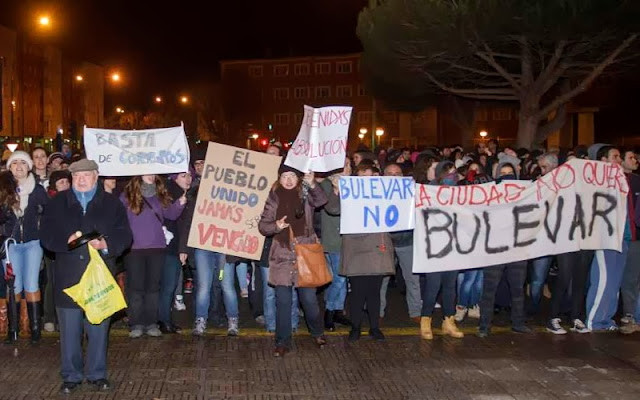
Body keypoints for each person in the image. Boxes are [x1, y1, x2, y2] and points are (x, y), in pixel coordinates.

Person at [40, 159, 132, 394]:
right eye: (76, 176)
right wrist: (65, 242)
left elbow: (125, 235)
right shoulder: (57, 203)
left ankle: (97, 374)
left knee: (98, 329)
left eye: (86, 175)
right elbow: (46, 236)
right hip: (69, 278)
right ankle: (71, 376)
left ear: (96, 177)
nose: (81, 180)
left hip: (99, 278)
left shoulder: (112, 204)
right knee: (69, 332)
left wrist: (106, 243)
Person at [259, 165, 328, 357]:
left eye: (292, 176)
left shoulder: (305, 194)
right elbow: (263, 225)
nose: (288, 180)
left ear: (298, 179)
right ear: (279, 178)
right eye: (284, 176)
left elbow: (322, 200)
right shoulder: (274, 196)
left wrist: (312, 183)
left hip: (305, 252)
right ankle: (282, 341)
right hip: (281, 255)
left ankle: (317, 332)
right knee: (283, 301)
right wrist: (275, 226)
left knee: (309, 299)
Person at [121, 175, 186, 338]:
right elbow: (119, 217)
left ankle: (151, 322)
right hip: (134, 249)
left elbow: (170, 214)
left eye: (153, 171)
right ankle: (136, 323)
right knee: (136, 288)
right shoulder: (127, 194)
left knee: (153, 288)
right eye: (146, 171)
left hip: (156, 248)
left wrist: (180, 203)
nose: (150, 174)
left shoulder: (160, 193)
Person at [478, 162, 531, 337]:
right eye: (503, 173)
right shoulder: (490, 195)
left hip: (517, 249)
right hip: (495, 249)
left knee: (517, 289)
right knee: (489, 289)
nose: (507, 177)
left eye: (510, 173)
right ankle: (484, 325)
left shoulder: (525, 194)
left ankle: (518, 322)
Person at [3, 151, 48, 343]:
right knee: (14, 285)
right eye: (15, 163)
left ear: (29, 166)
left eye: (23, 163)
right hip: (11, 244)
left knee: (31, 283)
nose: (19, 166)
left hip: (33, 242)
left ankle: (35, 330)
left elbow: (48, 214)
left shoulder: (37, 189)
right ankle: (13, 330)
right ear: (10, 168)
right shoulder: (4, 189)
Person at [585, 145, 629, 331]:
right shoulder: (596, 183)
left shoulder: (622, 181)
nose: (618, 160)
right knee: (603, 279)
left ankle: (607, 319)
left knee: (615, 281)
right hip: (605, 237)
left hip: (622, 237)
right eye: (615, 156)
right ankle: (594, 320)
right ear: (603, 160)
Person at [418, 160, 464, 340]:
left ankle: (448, 321)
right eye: (449, 172)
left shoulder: (460, 194)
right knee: (433, 285)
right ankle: (426, 320)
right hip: (434, 247)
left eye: (454, 172)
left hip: (453, 246)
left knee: (450, 287)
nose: (452, 176)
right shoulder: (429, 192)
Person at [386, 162, 422, 324]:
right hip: (385, 241)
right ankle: (378, 312)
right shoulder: (375, 193)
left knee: (412, 278)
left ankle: (415, 311)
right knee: (382, 279)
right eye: (390, 174)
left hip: (407, 240)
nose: (394, 177)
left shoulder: (411, 191)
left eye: (398, 174)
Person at [320, 157, 352, 331]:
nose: (348, 167)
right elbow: (333, 209)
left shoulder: (354, 184)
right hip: (334, 239)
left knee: (344, 278)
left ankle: (339, 310)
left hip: (350, 240)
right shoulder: (326, 185)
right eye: (344, 164)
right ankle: (329, 310)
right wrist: (336, 189)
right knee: (339, 279)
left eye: (349, 164)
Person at [157, 172, 191, 334]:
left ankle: (166, 319)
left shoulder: (182, 194)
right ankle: (163, 321)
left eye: (190, 175)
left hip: (174, 246)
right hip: (170, 247)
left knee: (169, 286)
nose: (188, 179)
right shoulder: (170, 195)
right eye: (184, 176)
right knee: (168, 286)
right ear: (174, 178)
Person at [620, 148, 640, 334]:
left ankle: (632, 314)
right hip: (618, 237)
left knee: (632, 279)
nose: (635, 160)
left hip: (635, 238)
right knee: (625, 279)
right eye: (631, 157)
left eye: (636, 157)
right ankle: (628, 314)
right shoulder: (613, 181)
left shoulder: (637, 181)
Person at [0, 171, 19, 338]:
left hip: (5, 246)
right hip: (5, 245)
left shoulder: (8, 200)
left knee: (6, 286)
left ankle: (8, 326)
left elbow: (9, 221)